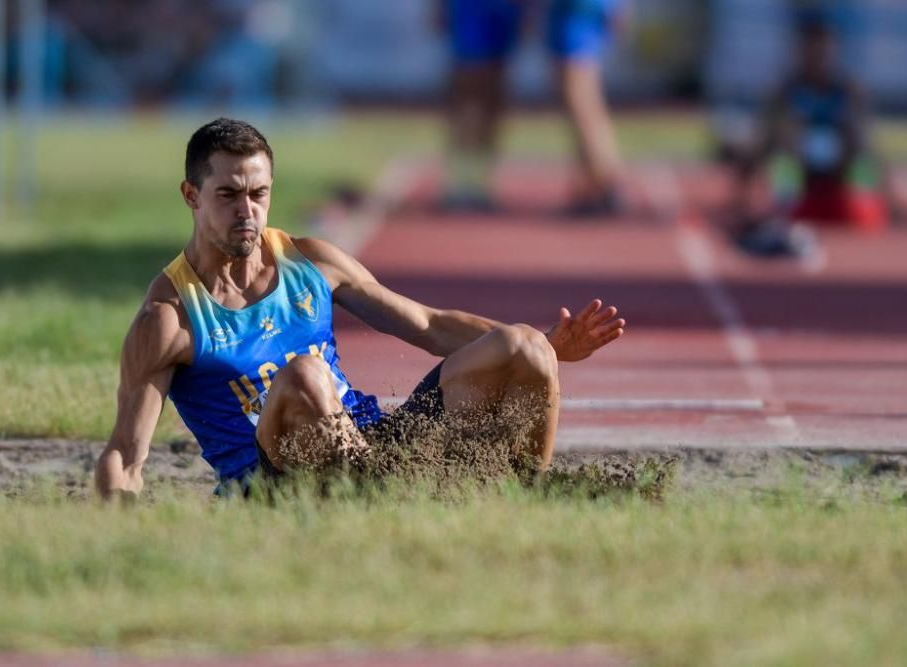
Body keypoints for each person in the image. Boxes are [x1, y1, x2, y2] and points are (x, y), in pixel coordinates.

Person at [95, 118, 627, 499]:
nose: (247, 211)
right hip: (273, 485)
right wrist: (116, 532)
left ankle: (525, 498)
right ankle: (383, 505)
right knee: (305, 375)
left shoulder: (310, 260)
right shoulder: (170, 318)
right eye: (228, 195)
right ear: (191, 195)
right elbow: (125, 454)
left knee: (523, 346)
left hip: (373, 446)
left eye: (258, 194)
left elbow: (429, 325)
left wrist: (550, 346)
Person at [441, 0, 627, 216]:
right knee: (478, 93)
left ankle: (602, 183)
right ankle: (596, 182)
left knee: (580, 95)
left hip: (575, 8)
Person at [731, 11, 887, 259]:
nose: (818, 55)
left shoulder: (849, 91)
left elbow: (867, 146)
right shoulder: (785, 91)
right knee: (783, 136)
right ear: (799, 50)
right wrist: (742, 197)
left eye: (824, 47)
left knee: (865, 213)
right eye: (811, 47)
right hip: (797, 194)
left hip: (839, 192)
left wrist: (884, 192)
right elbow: (762, 144)